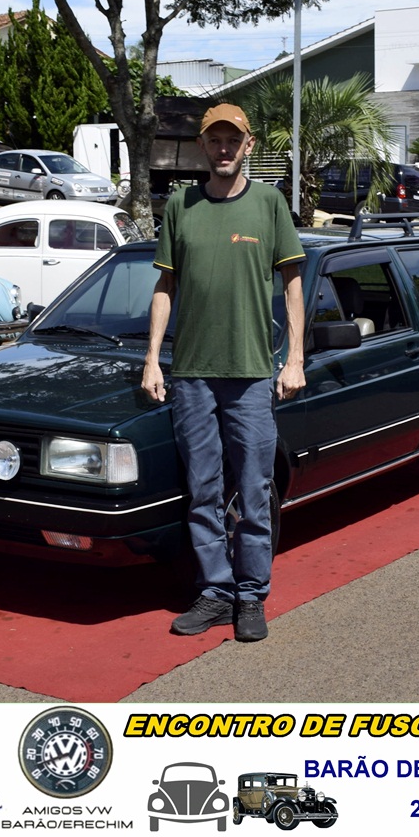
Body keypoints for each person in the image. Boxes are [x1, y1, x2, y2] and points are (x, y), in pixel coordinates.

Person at [141, 103, 306, 643]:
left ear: (248, 145)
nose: (224, 148)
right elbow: (165, 287)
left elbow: (293, 286)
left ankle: (251, 595)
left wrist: (295, 359)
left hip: (253, 374)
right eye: (215, 139)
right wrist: (152, 359)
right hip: (191, 375)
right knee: (202, 490)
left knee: (254, 491)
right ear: (203, 146)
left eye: (233, 139)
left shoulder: (269, 204)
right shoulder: (181, 206)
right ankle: (216, 591)